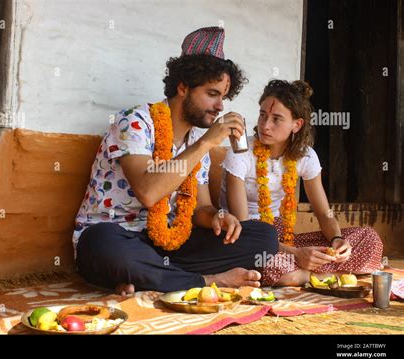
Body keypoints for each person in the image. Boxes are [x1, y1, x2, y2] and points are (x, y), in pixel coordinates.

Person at [73, 27, 278, 295]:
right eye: (212, 94)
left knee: (264, 237)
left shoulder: (197, 139)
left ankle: (151, 277)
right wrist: (206, 143)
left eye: (223, 97)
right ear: (183, 87)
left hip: (171, 245)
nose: (220, 108)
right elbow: (148, 192)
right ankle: (204, 280)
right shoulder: (135, 122)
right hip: (119, 237)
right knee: (102, 244)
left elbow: (199, 209)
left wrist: (218, 216)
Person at [220, 79, 384, 286]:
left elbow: (325, 214)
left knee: (368, 238)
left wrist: (336, 241)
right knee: (270, 266)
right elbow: (245, 230)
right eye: (263, 115)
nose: (265, 125)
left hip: (283, 235)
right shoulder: (240, 154)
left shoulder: (305, 156)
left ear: (296, 125)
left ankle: (304, 273)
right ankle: (318, 276)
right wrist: (297, 254)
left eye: (276, 119)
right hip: (248, 238)